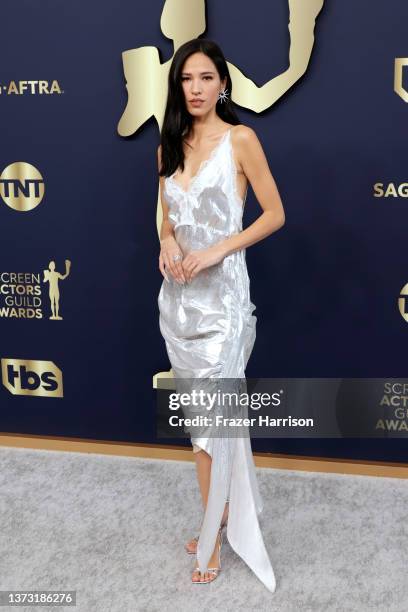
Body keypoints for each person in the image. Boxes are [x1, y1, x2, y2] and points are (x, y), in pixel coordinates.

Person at [157, 38, 285, 591]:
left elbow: (275, 214)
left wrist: (218, 248)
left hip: (225, 303)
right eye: (187, 79)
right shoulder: (168, 146)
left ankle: (211, 535)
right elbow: (164, 219)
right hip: (178, 301)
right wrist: (165, 244)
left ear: (223, 84)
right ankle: (219, 514)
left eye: (206, 78)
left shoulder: (241, 139)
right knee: (199, 425)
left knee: (212, 424)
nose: (196, 89)